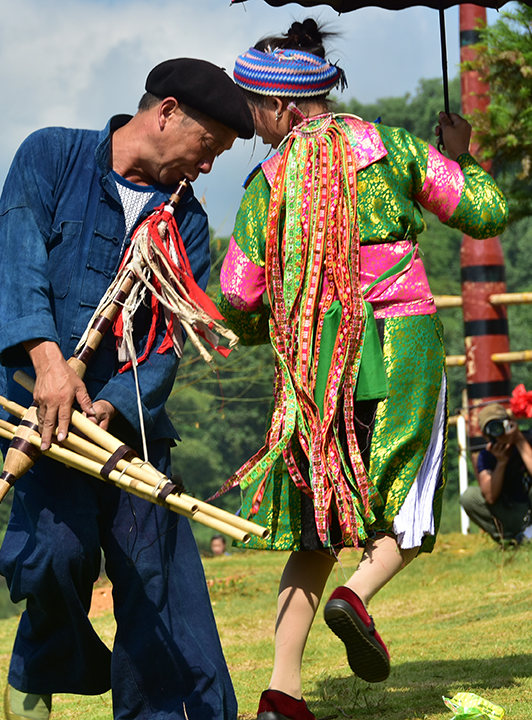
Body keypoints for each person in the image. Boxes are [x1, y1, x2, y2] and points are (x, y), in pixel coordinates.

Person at [216, 20, 508, 720]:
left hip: (318, 359)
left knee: (317, 520)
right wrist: (460, 157)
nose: (247, 117)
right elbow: (484, 211)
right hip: (401, 341)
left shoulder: (268, 179)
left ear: (286, 107)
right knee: (407, 494)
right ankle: (359, 593)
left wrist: (272, 328)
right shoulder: (391, 148)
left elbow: (237, 292)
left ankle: (280, 691)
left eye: (253, 103)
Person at [0, 58, 254, 720]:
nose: (209, 167)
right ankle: (42, 663)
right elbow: (16, 261)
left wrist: (109, 402)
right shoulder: (50, 154)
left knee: (159, 588)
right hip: (35, 416)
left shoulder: (185, 221)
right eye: (209, 148)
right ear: (166, 114)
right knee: (52, 555)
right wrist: (51, 367)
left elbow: (168, 338)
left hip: (129, 426)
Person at [460, 404, 532, 544]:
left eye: (500, 425)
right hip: (514, 510)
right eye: (491, 429)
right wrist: (501, 462)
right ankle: (512, 540)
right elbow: (490, 497)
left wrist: (519, 440)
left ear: (510, 423)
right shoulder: (487, 455)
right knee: (469, 497)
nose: (498, 432)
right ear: (485, 435)